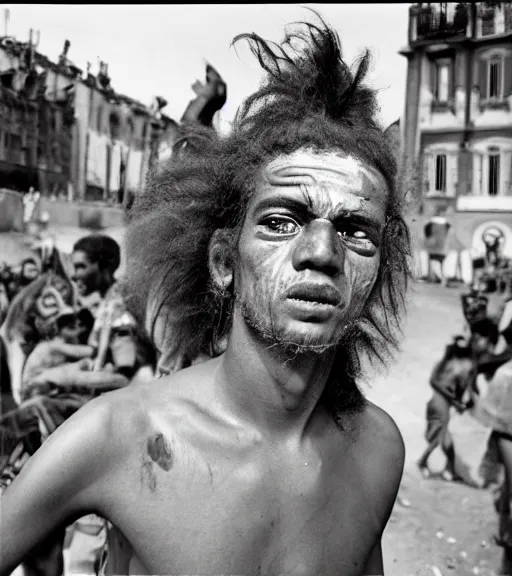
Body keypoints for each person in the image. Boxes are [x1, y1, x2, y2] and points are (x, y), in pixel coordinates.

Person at [0, 15, 411, 576]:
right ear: (223, 263)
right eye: (283, 221)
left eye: (355, 230)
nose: (322, 251)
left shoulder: (378, 452)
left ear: (379, 270)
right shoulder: (118, 436)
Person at [417, 318, 499, 482]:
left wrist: (470, 402)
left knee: (447, 442)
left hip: (441, 403)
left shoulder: (465, 360)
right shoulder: (465, 361)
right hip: (440, 403)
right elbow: (439, 381)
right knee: (438, 439)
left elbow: (469, 386)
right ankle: (423, 461)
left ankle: (449, 469)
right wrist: (457, 402)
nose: (489, 348)